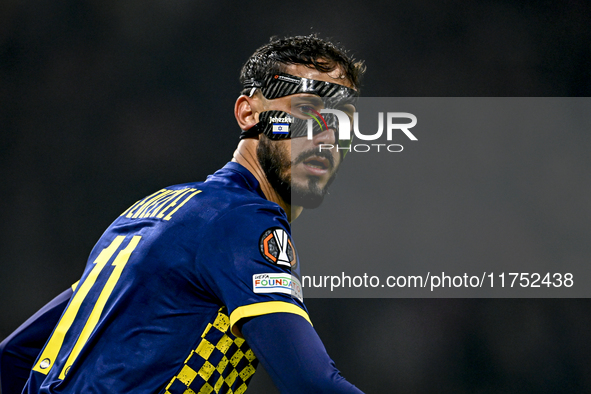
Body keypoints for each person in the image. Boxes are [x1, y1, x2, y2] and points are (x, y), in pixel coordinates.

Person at [0, 35, 365, 393]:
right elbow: (311, 382)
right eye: (305, 110)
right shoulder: (242, 221)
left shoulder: (153, 211)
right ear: (248, 113)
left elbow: (15, 356)